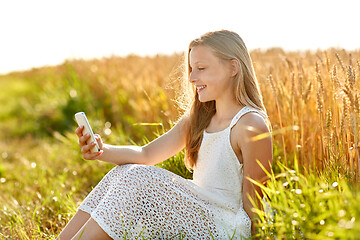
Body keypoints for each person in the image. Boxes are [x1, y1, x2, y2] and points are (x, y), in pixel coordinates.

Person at [57, 30, 272, 240]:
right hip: (199, 212)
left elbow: (254, 206)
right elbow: (145, 154)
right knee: (122, 172)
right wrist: (101, 150)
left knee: (136, 178)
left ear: (233, 67)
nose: (191, 77)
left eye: (201, 68)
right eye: (191, 69)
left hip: (226, 226)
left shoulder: (250, 125)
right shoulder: (199, 118)